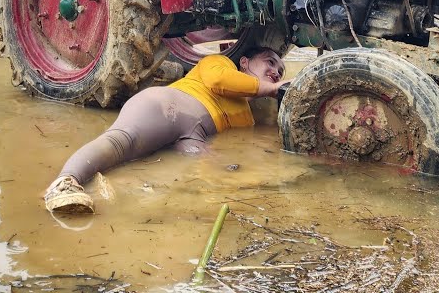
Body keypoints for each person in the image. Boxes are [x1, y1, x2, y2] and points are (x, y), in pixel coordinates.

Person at [43, 47, 290, 215]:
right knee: (123, 141)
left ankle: (111, 202)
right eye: (270, 62)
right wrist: (271, 89)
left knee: (218, 172)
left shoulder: (247, 113)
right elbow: (218, 81)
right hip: (168, 107)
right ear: (245, 62)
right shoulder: (220, 62)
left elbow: (242, 143)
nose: (276, 72)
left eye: (280, 71)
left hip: (194, 136)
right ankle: (66, 182)